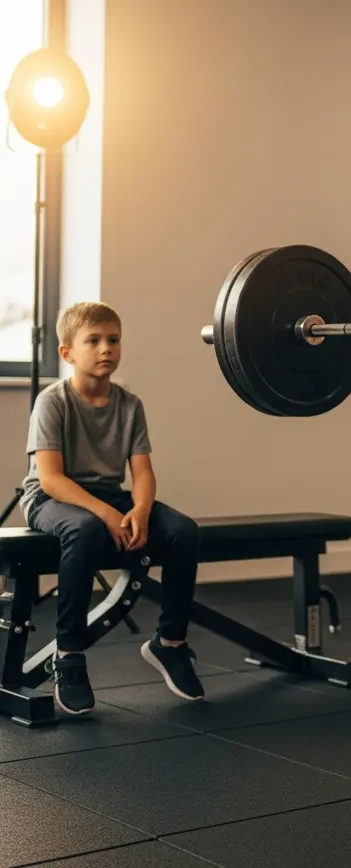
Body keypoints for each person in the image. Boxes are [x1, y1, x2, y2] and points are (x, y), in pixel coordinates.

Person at [20, 302, 205, 715]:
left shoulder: (129, 404)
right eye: (94, 340)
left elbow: (142, 473)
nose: (107, 348)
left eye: (114, 340)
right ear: (67, 352)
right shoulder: (53, 402)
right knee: (84, 529)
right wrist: (106, 515)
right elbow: (50, 478)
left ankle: (170, 643)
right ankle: (68, 655)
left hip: (109, 495)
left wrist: (139, 511)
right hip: (51, 498)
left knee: (184, 531)